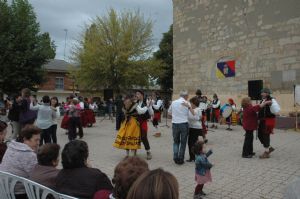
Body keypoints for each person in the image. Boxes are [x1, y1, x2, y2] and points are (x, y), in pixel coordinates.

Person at [0, 125, 40, 198]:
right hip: (19, 193)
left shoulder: (11, 146)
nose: (38, 143)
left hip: (3, 189)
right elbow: (37, 178)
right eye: (36, 140)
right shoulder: (29, 155)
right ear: (25, 139)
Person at [168, 90, 194, 165]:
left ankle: (175, 157)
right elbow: (191, 115)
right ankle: (180, 158)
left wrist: (175, 117)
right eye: (187, 96)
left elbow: (169, 113)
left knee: (176, 142)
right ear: (185, 96)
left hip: (175, 124)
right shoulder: (187, 103)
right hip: (184, 124)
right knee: (183, 142)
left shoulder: (173, 102)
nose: (188, 97)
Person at [257, 88, 280, 159]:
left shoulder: (272, 100)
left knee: (265, 135)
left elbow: (276, 110)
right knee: (260, 135)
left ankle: (266, 152)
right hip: (262, 120)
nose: (261, 94)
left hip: (268, 120)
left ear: (267, 93)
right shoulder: (262, 100)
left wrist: (271, 104)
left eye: (263, 92)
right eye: (261, 92)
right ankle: (269, 148)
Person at [135, 90, 153, 160]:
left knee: (144, 137)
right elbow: (139, 112)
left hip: (143, 122)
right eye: (136, 94)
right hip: (136, 122)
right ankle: (134, 150)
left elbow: (151, 113)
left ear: (142, 95)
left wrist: (149, 106)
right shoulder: (136, 103)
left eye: (138, 94)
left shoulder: (147, 102)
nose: (136, 95)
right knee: (136, 137)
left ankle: (148, 152)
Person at [187, 96, 202, 162]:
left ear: (193, 103)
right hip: (194, 128)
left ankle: (195, 157)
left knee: (193, 143)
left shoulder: (197, 109)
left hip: (195, 128)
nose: (190, 104)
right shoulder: (197, 109)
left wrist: (189, 108)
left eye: (191, 103)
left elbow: (194, 117)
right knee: (192, 143)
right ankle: (193, 157)